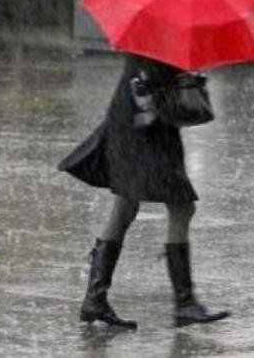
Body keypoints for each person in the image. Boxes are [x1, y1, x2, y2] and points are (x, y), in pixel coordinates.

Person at [58, 54, 230, 329]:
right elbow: (157, 80)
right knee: (181, 205)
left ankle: (95, 299)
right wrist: (183, 76)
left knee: (126, 205)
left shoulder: (153, 42)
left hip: (134, 121)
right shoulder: (162, 43)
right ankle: (184, 303)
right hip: (145, 127)